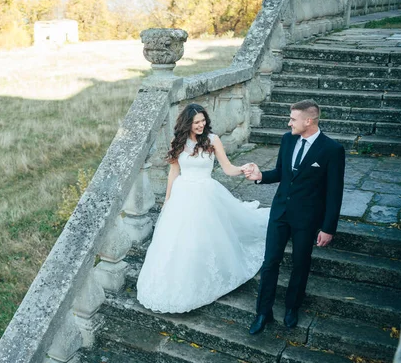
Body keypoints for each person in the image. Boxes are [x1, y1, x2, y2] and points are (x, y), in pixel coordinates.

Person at [136, 103, 269, 314]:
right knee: (177, 241)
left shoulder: (213, 140)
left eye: (203, 120)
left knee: (203, 235)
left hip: (206, 194)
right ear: (187, 123)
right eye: (196, 122)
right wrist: (167, 200)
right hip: (182, 194)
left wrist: (243, 168)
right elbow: (173, 172)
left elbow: (227, 168)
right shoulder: (177, 142)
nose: (201, 125)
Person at [243, 99, 345, 335]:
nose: (289, 122)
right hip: (280, 213)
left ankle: (292, 308)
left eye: (293, 119)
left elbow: (334, 193)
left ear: (308, 121)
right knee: (270, 263)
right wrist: (260, 176)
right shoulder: (288, 139)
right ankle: (263, 312)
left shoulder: (332, 150)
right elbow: (281, 172)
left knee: (300, 264)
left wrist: (328, 227)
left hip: (307, 219)